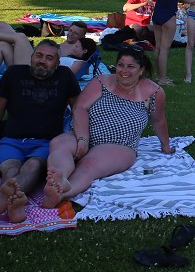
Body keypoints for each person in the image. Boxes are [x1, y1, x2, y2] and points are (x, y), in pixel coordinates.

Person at [0, 40, 80, 223]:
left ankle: (8, 196)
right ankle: (13, 197)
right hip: (10, 139)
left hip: (46, 142)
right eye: (38, 55)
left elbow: (78, 111)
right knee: (10, 169)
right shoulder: (14, 74)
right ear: (32, 57)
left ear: (57, 63)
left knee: (33, 166)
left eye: (49, 58)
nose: (42, 61)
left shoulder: (65, 76)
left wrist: (83, 141)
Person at [42, 48, 171, 208]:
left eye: (131, 66)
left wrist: (166, 146)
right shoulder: (101, 81)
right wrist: (82, 139)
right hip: (85, 133)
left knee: (90, 164)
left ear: (141, 70)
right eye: (120, 65)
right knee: (60, 143)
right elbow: (80, 108)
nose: (124, 71)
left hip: (119, 145)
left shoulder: (154, 92)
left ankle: (62, 193)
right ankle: (58, 177)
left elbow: (158, 120)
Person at [150, 0, 183, 86]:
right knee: (164, 49)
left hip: (157, 15)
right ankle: (163, 79)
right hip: (169, 17)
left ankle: (158, 76)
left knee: (158, 47)